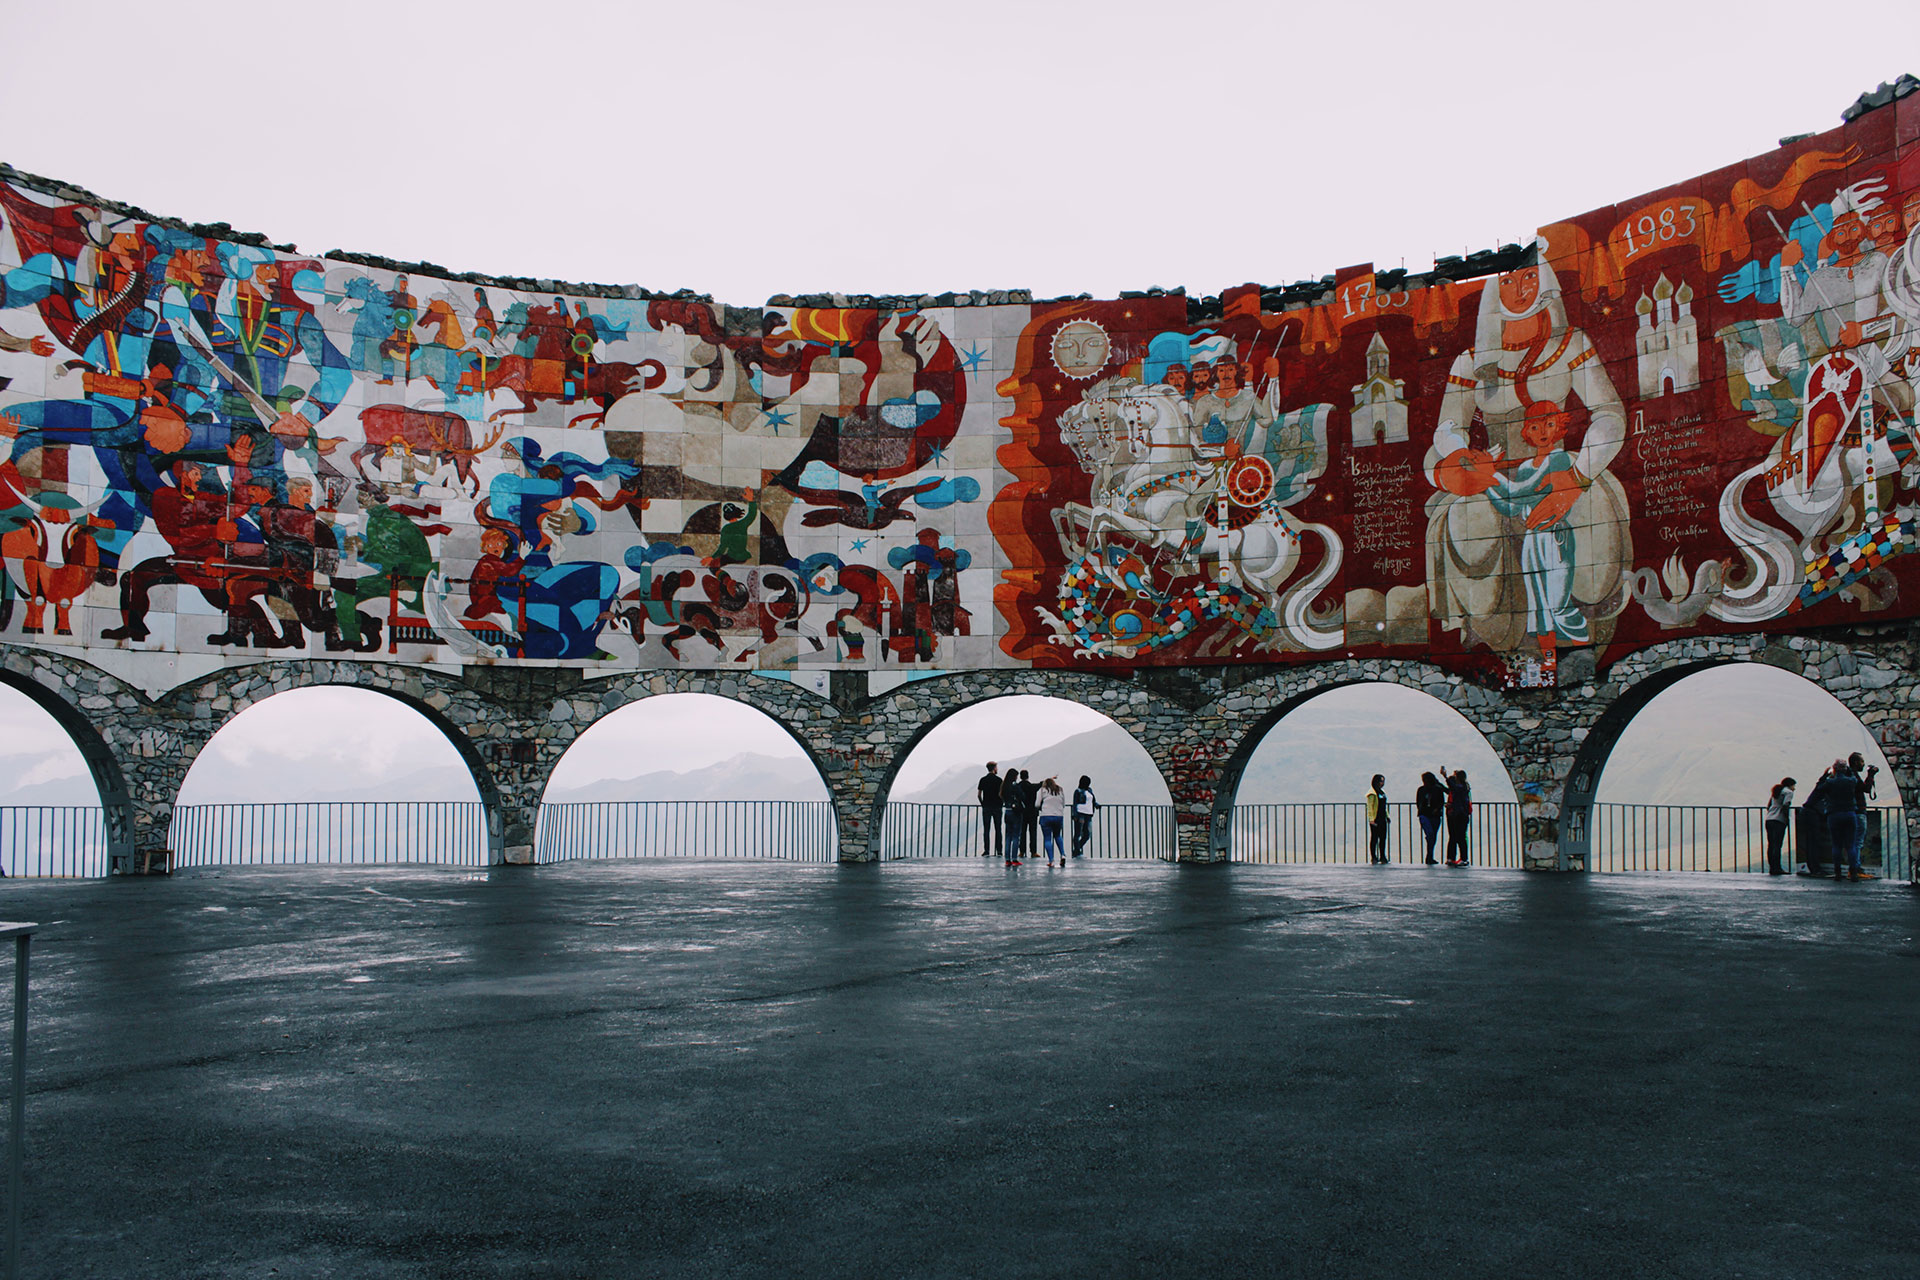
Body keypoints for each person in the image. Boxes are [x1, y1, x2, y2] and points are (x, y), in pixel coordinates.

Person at [1842, 752, 1880, 881]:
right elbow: (1866, 788)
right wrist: (1871, 775)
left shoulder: (1847, 775)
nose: (1863, 764)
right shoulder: (1853, 776)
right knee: (1857, 842)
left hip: (1849, 812)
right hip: (1858, 812)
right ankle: (1855, 868)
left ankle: (1853, 868)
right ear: (1856, 762)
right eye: (1862, 762)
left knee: (1852, 842)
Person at [1764, 777, 1796, 876]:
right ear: (1789, 785)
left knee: (1771, 844)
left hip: (1769, 819)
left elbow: (1768, 806)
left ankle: (1772, 867)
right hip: (1779, 820)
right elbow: (1786, 805)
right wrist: (1786, 819)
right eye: (1793, 786)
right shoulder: (1788, 792)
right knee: (1778, 845)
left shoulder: (1776, 792)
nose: (1794, 788)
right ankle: (1777, 868)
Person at [1415, 771, 1446, 865]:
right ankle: (1429, 856)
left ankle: (1430, 856)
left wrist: (1436, 809)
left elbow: (1441, 801)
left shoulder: (1437, 789)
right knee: (1430, 834)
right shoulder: (1421, 789)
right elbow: (1418, 801)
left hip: (1434, 815)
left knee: (1432, 836)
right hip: (1425, 815)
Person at [1445, 769, 1473, 866]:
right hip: (1457, 815)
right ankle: (1453, 858)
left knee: (1459, 837)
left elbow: (1454, 788)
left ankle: (1463, 858)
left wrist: (1445, 776)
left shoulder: (1461, 788)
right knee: (1455, 836)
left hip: (1459, 815)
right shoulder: (1463, 787)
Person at [1038, 777, 1067, 867]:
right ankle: (1062, 854)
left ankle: (1051, 860)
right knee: (1058, 835)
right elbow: (1063, 804)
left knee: (1047, 838)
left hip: (1046, 816)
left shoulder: (1042, 790)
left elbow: (1037, 804)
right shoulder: (1060, 790)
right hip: (1058, 816)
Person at [976, 762, 1003, 857]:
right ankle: (999, 851)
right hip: (997, 807)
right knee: (998, 829)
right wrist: (1001, 802)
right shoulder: (999, 780)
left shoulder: (983, 780)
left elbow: (979, 795)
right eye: (996, 767)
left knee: (986, 829)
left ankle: (986, 850)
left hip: (987, 807)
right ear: (994, 768)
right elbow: (1001, 794)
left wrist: (983, 804)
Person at [1071, 775, 1100, 858]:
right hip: (1080, 814)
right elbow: (1075, 804)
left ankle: (1076, 850)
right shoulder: (1078, 791)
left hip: (1089, 814)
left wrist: (1096, 804)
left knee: (1087, 834)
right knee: (1078, 834)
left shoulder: (1090, 790)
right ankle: (1077, 851)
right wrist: (1075, 815)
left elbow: (1092, 800)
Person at [1002, 770, 1026, 866]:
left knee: (1008, 836)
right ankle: (1014, 859)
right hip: (1015, 813)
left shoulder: (1004, 786)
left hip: (1007, 811)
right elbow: (1022, 796)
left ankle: (1007, 859)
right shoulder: (1015, 786)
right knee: (1016, 836)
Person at [1365, 775, 1390, 863]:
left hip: (1382, 817)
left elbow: (1384, 806)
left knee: (1383, 838)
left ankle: (1382, 856)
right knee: (1375, 838)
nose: (1382, 783)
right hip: (1376, 818)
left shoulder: (1382, 792)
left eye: (1383, 781)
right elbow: (1370, 807)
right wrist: (1371, 819)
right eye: (1380, 781)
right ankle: (1374, 856)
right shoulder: (1372, 793)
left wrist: (1387, 816)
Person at [1018, 769, 1040, 859]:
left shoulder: (1018, 786)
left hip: (1021, 812)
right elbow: (1041, 784)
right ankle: (1033, 851)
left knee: (1022, 832)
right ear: (1027, 776)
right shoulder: (1032, 787)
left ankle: (1022, 851)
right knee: (1033, 832)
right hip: (1032, 812)